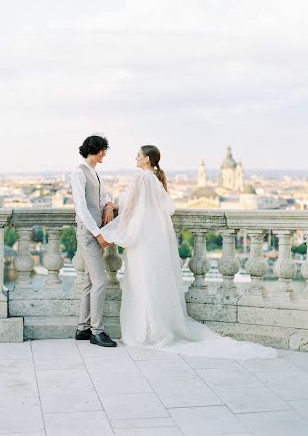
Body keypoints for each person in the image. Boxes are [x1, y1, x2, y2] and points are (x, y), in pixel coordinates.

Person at [101, 145, 276, 359]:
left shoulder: (140, 179)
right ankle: (158, 327)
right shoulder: (156, 180)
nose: (135, 157)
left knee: (141, 282)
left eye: (138, 155)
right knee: (154, 281)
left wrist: (114, 223)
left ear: (146, 159)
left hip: (142, 239)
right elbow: (166, 209)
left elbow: (129, 209)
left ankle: (146, 330)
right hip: (156, 238)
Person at [71, 135, 117, 347]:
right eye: (103, 150)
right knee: (99, 281)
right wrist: (98, 234)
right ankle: (97, 331)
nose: (105, 154)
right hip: (89, 232)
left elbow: (105, 197)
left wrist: (108, 206)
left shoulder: (94, 173)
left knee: (90, 281)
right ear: (96, 150)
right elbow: (81, 208)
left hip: (94, 231)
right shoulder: (79, 173)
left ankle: (83, 328)